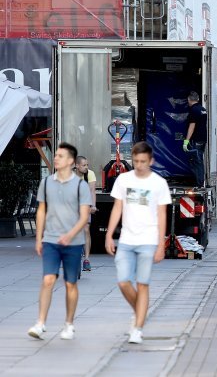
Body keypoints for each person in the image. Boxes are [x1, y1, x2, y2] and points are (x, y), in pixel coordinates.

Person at [105, 141, 171, 344]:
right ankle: (140, 311)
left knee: (143, 284)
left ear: (151, 161)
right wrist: (109, 235)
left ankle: (138, 327)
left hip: (148, 240)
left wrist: (161, 244)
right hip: (126, 238)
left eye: (143, 161)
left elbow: (162, 215)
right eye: (136, 161)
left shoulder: (159, 183)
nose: (139, 165)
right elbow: (117, 207)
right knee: (123, 282)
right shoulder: (123, 179)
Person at [28, 142, 91, 341]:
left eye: (60, 156)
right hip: (51, 241)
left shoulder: (81, 185)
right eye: (55, 155)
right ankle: (40, 323)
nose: (55, 158)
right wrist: (39, 238)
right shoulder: (46, 183)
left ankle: (69, 324)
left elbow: (84, 216)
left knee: (70, 283)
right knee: (48, 280)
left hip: (73, 243)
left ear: (71, 161)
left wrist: (71, 235)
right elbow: (41, 211)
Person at [74, 156, 97, 271]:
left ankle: (86, 260)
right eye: (84, 165)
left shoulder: (90, 174)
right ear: (77, 166)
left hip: (85, 205)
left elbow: (92, 191)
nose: (86, 167)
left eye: (87, 165)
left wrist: (93, 205)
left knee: (86, 229)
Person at [182, 91, 208, 187]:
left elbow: (192, 127)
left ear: (189, 100)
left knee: (196, 161)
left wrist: (186, 141)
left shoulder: (193, 110)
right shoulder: (203, 109)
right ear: (198, 99)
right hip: (203, 139)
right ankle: (200, 182)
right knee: (199, 160)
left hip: (196, 140)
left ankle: (199, 183)